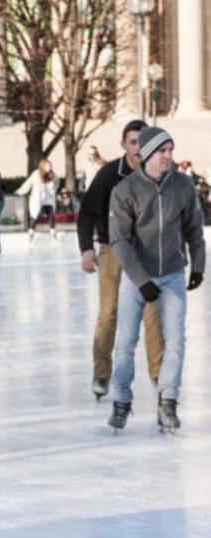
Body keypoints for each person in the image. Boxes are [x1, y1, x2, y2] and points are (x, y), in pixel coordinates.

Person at [107, 127, 205, 433]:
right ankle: (121, 400)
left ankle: (168, 401)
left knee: (175, 342)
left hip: (173, 273)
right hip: (138, 278)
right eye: (162, 151)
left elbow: (194, 230)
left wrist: (198, 266)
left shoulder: (183, 185)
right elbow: (120, 242)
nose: (168, 156)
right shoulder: (125, 191)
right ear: (148, 154)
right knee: (125, 343)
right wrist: (141, 280)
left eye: (171, 150)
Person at [76, 119, 163, 400]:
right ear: (124, 144)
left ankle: (158, 374)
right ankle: (102, 373)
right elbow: (87, 212)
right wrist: (86, 249)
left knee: (152, 311)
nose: (138, 148)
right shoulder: (110, 173)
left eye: (143, 141)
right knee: (109, 310)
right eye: (133, 142)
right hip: (113, 247)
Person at [17, 158, 60, 242]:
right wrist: (20, 191)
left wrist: (54, 189)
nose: (49, 168)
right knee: (34, 216)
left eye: (50, 166)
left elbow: (57, 182)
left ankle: (53, 232)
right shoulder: (36, 174)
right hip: (38, 198)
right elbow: (28, 183)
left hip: (48, 198)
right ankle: (31, 232)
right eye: (47, 166)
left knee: (51, 215)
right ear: (43, 166)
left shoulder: (53, 175)